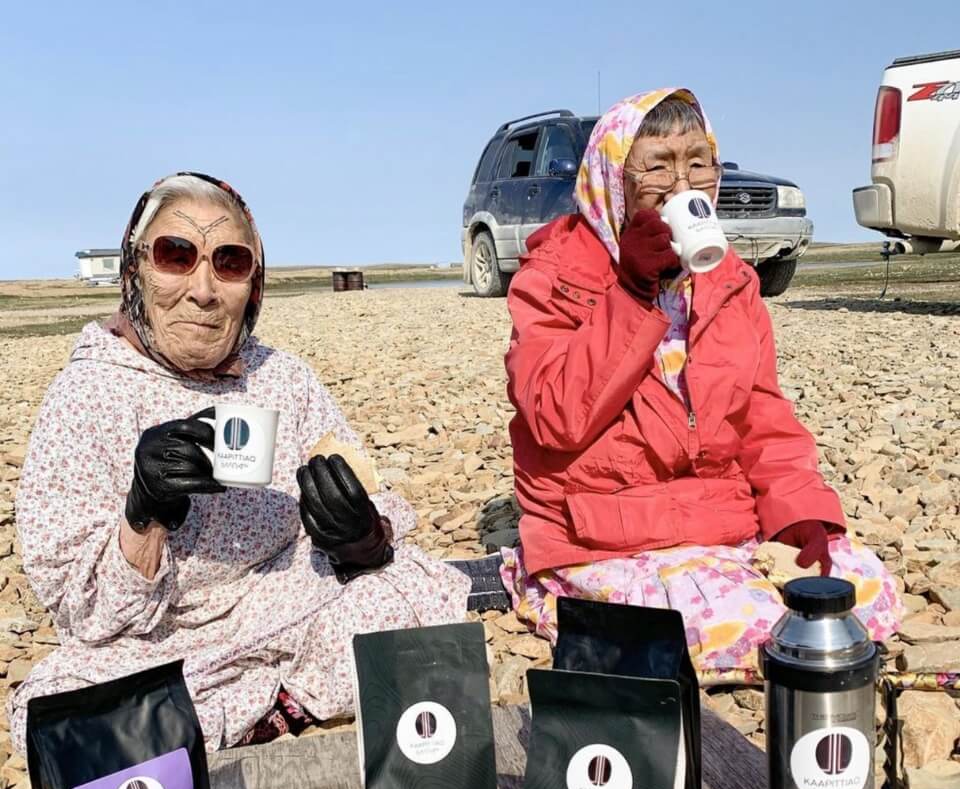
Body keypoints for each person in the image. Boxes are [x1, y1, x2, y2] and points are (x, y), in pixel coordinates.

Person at [9, 172, 468, 750]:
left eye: (228, 262)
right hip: (161, 641)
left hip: (293, 606)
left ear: (253, 285)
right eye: (176, 255)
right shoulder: (87, 396)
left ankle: (262, 707)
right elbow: (86, 619)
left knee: (414, 592)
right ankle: (281, 704)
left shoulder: (282, 378)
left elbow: (373, 517)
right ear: (134, 272)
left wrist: (359, 536)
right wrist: (144, 512)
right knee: (56, 714)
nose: (203, 290)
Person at [501, 89, 902, 684]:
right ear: (613, 177)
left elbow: (763, 418)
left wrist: (800, 514)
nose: (681, 182)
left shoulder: (731, 284)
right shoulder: (553, 280)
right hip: (603, 533)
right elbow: (556, 415)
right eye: (657, 164)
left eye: (698, 162)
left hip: (719, 522)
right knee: (754, 631)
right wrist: (634, 292)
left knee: (856, 595)